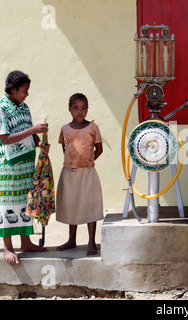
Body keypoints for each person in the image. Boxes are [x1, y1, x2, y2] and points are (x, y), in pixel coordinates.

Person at [0, 70, 49, 264]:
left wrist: (39, 143)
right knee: (8, 205)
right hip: (9, 166)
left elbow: (30, 132)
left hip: (26, 162)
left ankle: (26, 242)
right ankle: (7, 247)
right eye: (24, 90)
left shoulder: (24, 107)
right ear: (13, 89)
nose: (27, 94)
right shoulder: (2, 108)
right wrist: (33, 130)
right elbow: (5, 138)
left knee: (24, 203)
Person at [56, 93, 103, 255]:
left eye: (83, 108)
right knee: (71, 206)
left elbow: (99, 149)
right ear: (69, 109)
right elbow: (65, 149)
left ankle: (91, 241)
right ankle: (72, 239)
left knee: (90, 206)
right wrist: (74, 163)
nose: (80, 112)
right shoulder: (65, 129)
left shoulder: (92, 128)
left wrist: (88, 161)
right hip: (69, 173)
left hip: (87, 172)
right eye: (76, 108)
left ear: (87, 110)